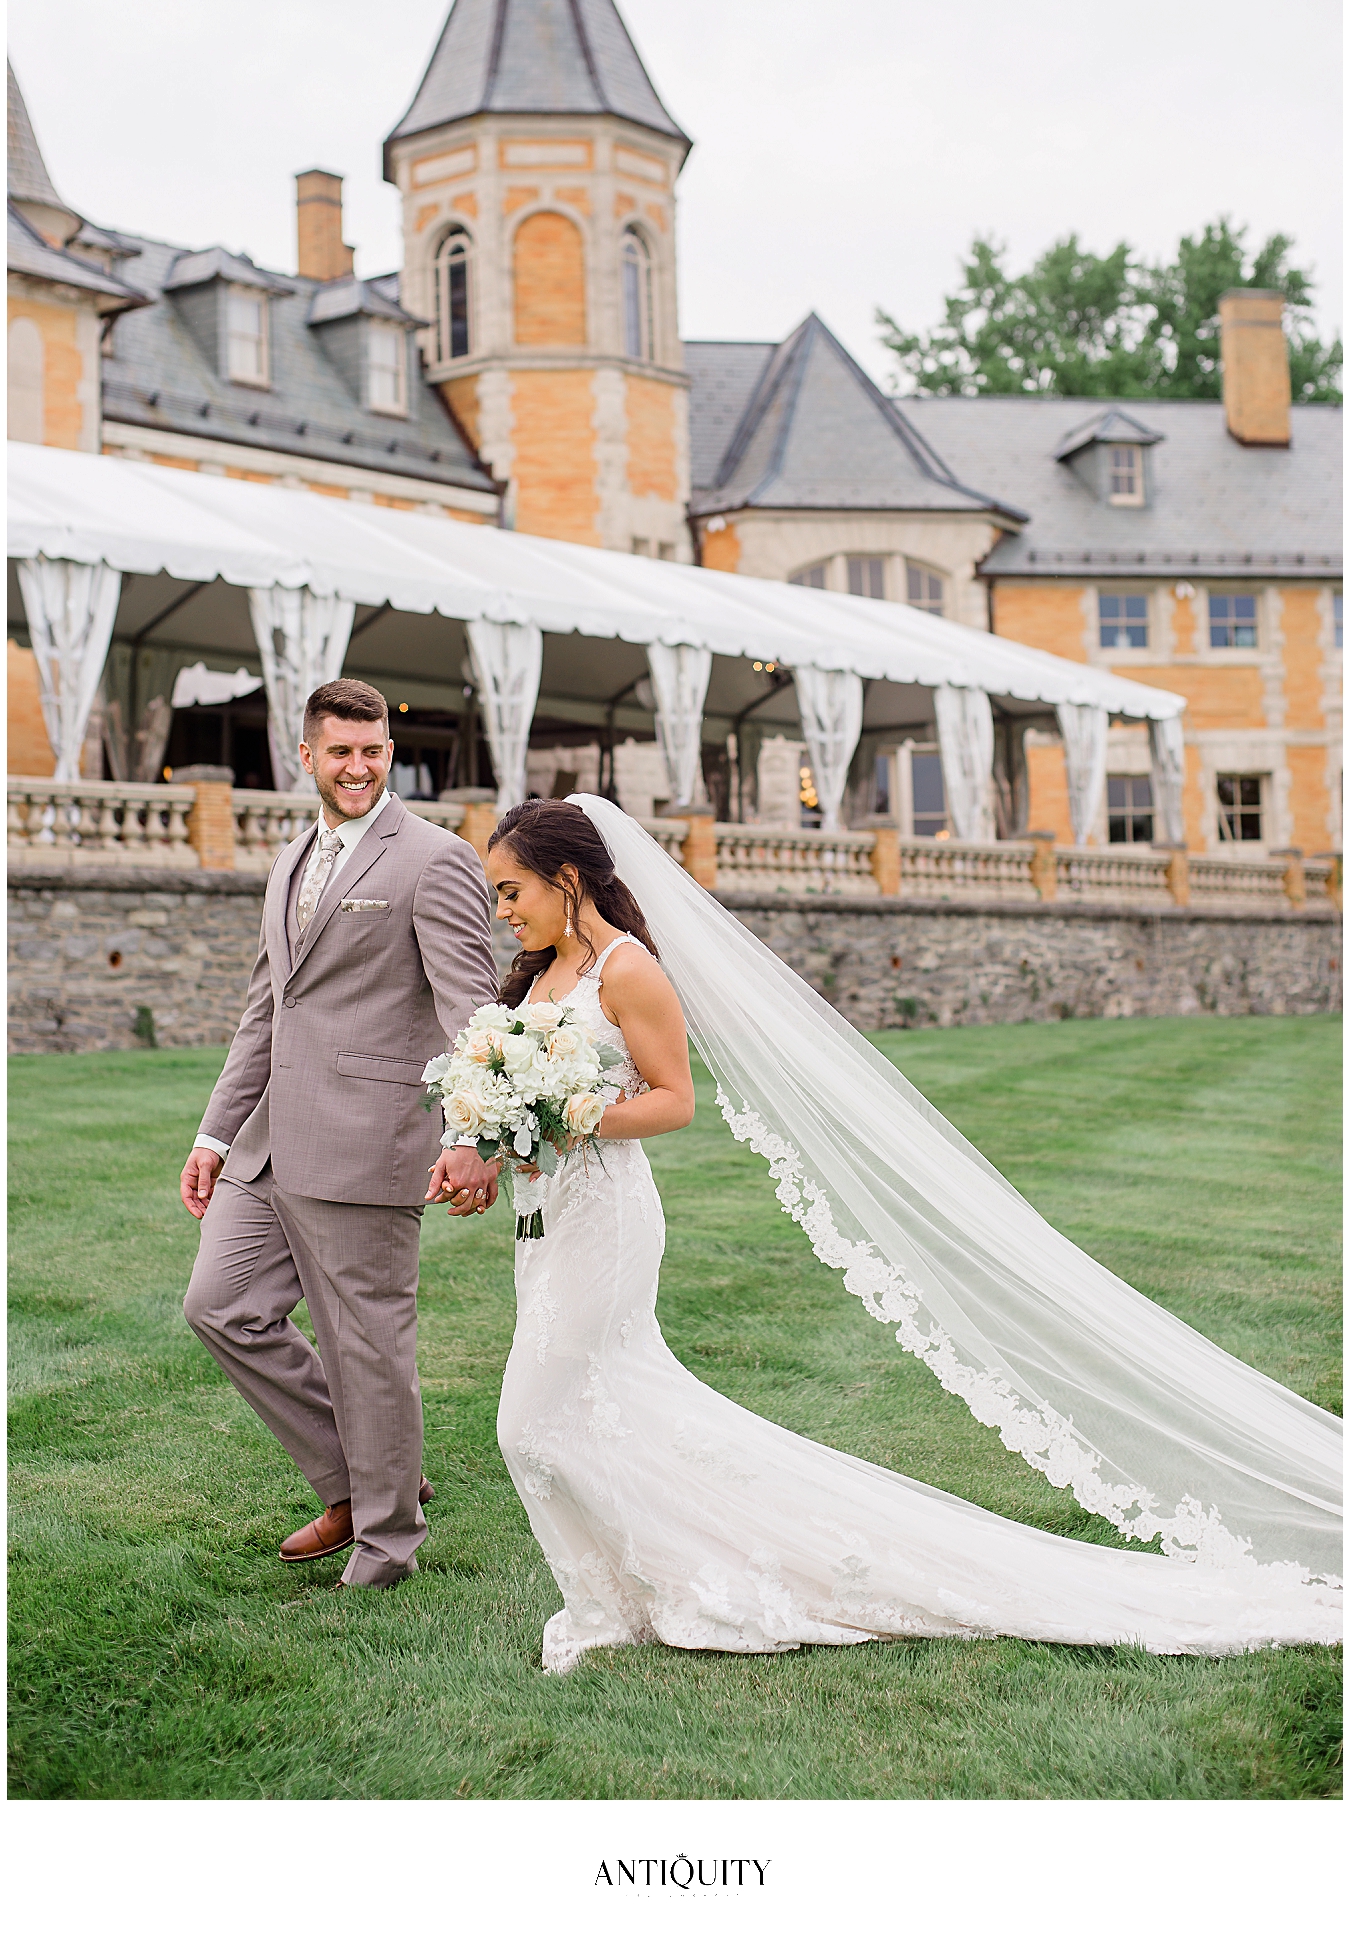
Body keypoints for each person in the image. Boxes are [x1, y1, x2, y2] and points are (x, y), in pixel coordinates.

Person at [486, 797, 1341, 1674]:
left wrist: (571, 1116)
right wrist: (492, 1132)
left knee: (529, 1422)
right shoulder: (541, 972)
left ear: (569, 877)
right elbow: (517, 1093)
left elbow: (674, 1100)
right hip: (544, 1221)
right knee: (604, 1409)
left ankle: (599, 1607)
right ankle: (639, 1586)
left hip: (609, 1221)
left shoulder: (630, 973)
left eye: (513, 890)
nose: (505, 910)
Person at [179, 678, 501, 1589]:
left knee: (368, 1345)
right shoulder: (292, 859)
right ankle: (362, 1483)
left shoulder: (433, 860)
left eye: (374, 753)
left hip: (369, 1141)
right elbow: (263, 1012)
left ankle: (388, 1543)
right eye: (342, 753)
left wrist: (472, 1132)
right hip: (267, 1145)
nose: (358, 768)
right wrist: (214, 1134)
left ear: (387, 756)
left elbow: (470, 1013)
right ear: (308, 756)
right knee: (221, 1308)